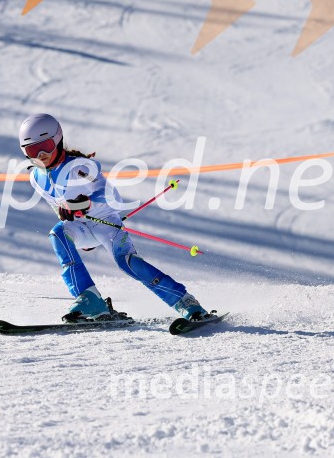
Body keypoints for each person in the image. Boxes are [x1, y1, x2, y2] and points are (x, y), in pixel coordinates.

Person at [19, 113, 210, 322]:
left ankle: (187, 304)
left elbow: (112, 197)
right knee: (57, 234)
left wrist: (84, 204)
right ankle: (89, 299)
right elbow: (57, 207)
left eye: (45, 146)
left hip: (107, 224)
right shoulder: (36, 178)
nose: (41, 154)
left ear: (58, 139)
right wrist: (71, 222)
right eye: (32, 150)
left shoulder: (80, 167)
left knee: (128, 263)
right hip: (81, 229)